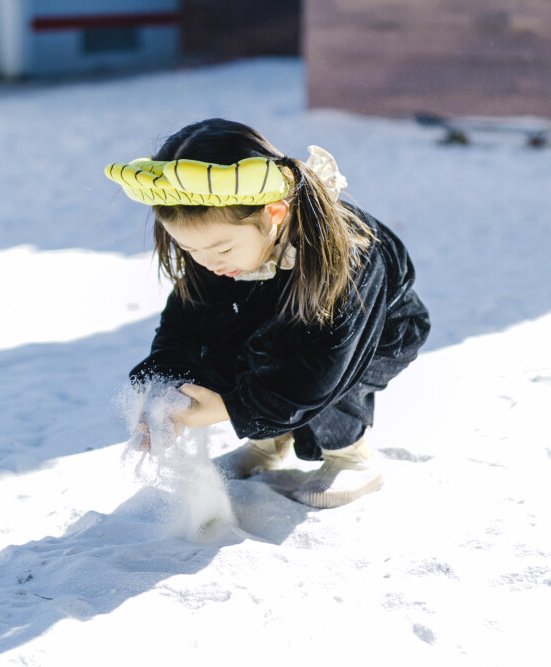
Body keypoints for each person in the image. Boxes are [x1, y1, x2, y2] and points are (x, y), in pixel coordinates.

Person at [105, 118, 430, 509]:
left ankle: (351, 455)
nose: (207, 263)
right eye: (191, 251)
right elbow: (186, 323)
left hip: (372, 336)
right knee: (228, 337)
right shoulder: (217, 247)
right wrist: (165, 381)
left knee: (311, 376)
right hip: (278, 320)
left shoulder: (351, 255)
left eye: (222, 250)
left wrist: (232, 408)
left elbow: (323, 368)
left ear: (274, 214)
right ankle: (268, 444)